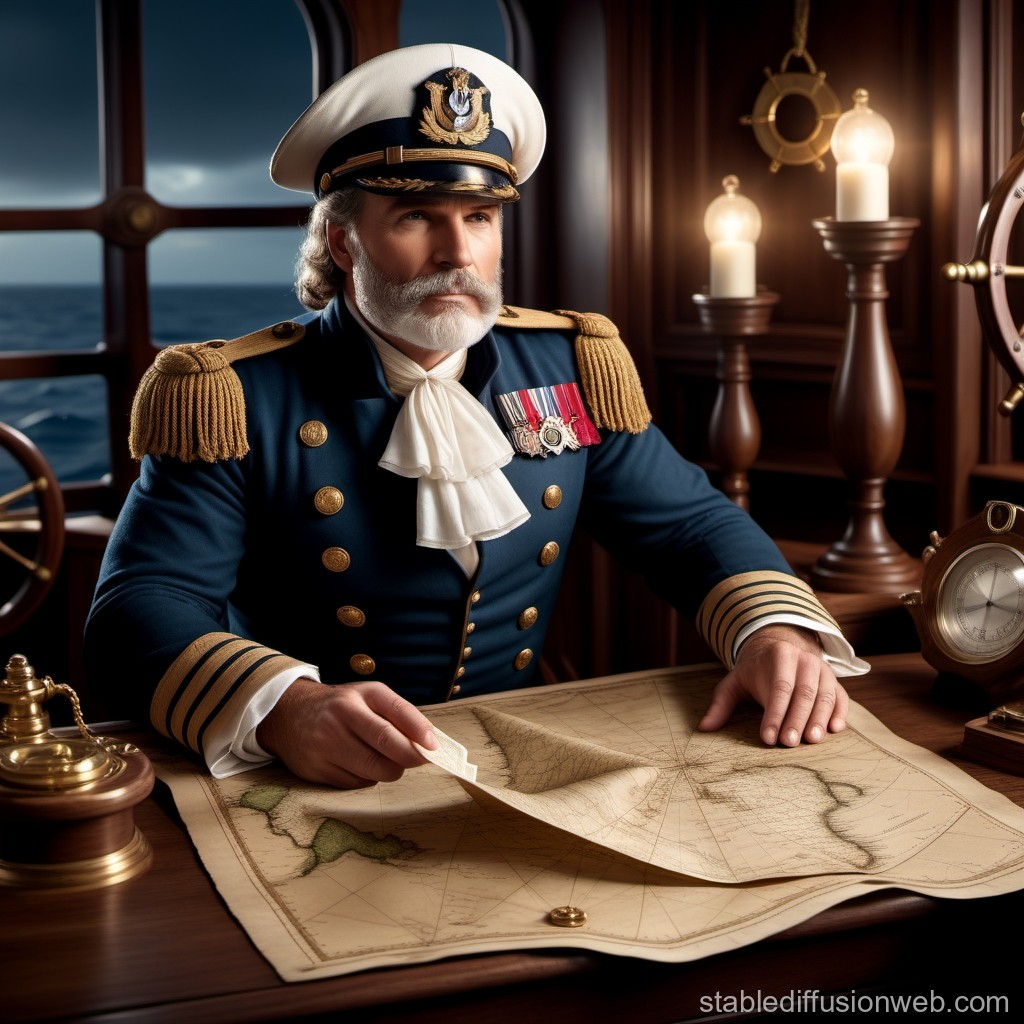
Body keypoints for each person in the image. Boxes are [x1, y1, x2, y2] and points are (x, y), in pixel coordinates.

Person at [85, 43, 868, 789]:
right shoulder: (230, 395)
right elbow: (139, 607)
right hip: (305, 767)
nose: (457, 251)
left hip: (512, 745)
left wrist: (772, 631)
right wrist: (283, 707)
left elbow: (690, 528)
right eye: (417, 217)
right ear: (344, 241)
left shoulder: (568, 367)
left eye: (481, 217)